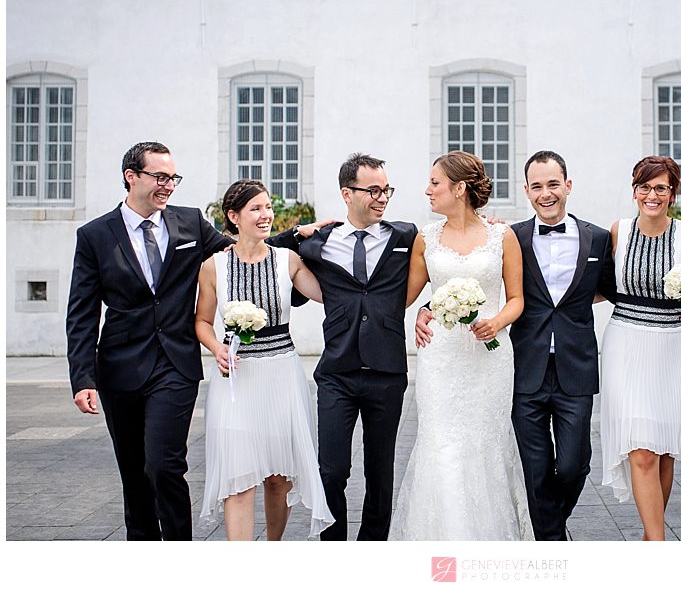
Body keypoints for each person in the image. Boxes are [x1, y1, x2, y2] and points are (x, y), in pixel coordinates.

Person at [417, 149, 617, 541]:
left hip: (576, 366)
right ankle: (550, 542)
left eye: (553, 184)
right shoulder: (510, 235)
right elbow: (477, 273)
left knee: (576, 464)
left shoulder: (597, 238)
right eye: (537, 186)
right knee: (535, 466)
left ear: (568, 186)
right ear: (527, 191)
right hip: (525, 366)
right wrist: (430, 305)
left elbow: (608, 290)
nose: (546, 193)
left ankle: (547, 524)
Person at [66, 141, 232, 540]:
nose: (168, 186)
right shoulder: (95, 236)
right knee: (134, 472)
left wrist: (295, 238)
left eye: (172, 178)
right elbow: (83, 313)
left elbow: (240, 252)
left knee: (165, 465)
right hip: (119, 369)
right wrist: (83, 378)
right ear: (131, 177)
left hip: (175, 363)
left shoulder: (190, 223)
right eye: (159, 177)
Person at [270, 153, 416, 541]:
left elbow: (450, 257)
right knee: (331, 469)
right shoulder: (319, 244)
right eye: (373, 190)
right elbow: (266, 255)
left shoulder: (405, 237)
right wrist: (297, 233)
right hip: (337, 372)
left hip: (387, 372)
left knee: (380, 470)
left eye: (386, 190)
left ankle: (372, 549)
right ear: (346, 193)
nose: (382, 198)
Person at [390, 150, 531, 540]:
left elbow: (516, 298)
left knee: (485, 446)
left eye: (435, 183)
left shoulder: (503, 236)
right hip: (441, 357)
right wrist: (422, 309)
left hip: (490, 358)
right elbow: (407, 295)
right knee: (442, 446)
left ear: (460, 188)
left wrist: (496, 322)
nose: (427, 190)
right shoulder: (425, 238)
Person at [194, 179, 335, 540]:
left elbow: (324, 294)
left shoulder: (288, 260)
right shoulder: (213, 267)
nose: (266, 214)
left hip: (280, 376)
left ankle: (272, 548)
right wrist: (216, 347)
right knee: (239, 479)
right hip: (236, 380)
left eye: (268, 207)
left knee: (277, 478)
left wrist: (325, 243)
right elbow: (202, 321)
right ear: (234, 216)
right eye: (256, 208)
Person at [600, 155, 681, 541]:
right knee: (643, 451)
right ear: (634, 190)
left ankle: (652, 537)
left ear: (672, 192)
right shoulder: (618, 231)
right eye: (645, 187)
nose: (652, 195)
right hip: (626, 344)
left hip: (671, 347)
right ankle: (657, 543)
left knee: (664, 449)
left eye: (661, 188)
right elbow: (597, 285)